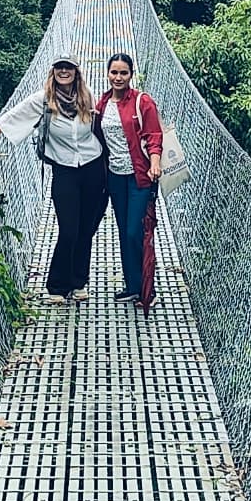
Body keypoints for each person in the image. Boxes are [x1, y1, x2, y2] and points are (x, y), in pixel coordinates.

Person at [0, 56, 107, 304]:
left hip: (93, 167)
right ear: (53, 72)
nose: (63, 71)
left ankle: (78, 282)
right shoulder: (43, 100)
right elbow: (9, 118)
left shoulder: (87, 96)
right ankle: (57, 286)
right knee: (69, 229)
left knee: (86, 229)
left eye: (68, 68)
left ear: (76, 72)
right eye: (59, 67)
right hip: (64, 170)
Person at [94, 53, 162, 311]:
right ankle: (133, 286)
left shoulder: (142, 102)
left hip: (140, 177)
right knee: (124, 231)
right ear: (107, 74)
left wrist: (155, 163)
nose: (118, 77)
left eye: (123, 73)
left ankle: (147, 289)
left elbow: (154, 136)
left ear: (131, 75)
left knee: (136, 231)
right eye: (114, 72)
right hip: (114, 177)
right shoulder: (102, 103)